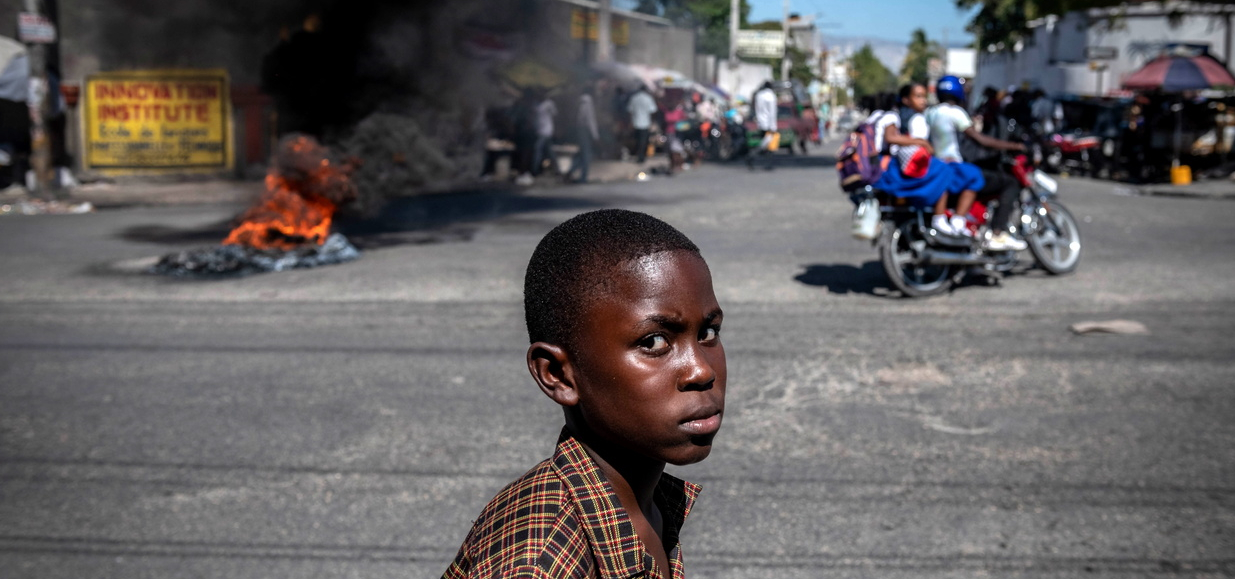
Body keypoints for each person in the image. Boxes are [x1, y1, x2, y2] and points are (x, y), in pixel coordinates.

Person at [442, 209, 726, 579]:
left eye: (708, 332)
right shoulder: (537, 564)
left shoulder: (642, 504)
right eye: (654, 342)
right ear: (559, 374)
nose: (701, 370)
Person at [926, 76, 1028, 252]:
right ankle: (997, 233)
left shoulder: (930, 112)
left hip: (935, 166)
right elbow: (980, 139)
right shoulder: (955, 112)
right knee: (1008, 183)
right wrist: (1014, 146)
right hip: (953, 168)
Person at [565, 86, 599, 183]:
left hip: (580, 129)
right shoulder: (588, 102)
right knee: (586, 155)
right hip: (585, 130)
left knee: (581, 153)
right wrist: (595, 135)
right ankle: (583, 177)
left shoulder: (580, 101)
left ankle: (571, 171)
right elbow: (590, 119)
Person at [746, 81, 777, 169]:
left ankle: (768, 164)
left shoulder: (759, 95)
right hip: (768, 124)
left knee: (767, 143)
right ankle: (751, 155)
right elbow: (772, 112)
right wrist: (773, 126)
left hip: (761, 122)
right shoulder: (771, 96)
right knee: (766, 143)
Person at [627, 85, 657, 163]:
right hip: (645, 123)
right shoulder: (648, 98)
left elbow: (630, 111)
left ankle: (639, 155)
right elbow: (653, 111)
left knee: (638, 140)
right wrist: (652, 122)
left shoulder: (634, 98)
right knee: (643, 141)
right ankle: (641, 156)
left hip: (636, 122)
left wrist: (631, 122)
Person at [532, 91, 558, 177]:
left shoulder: (548, 104)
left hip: (546, 131)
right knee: (550, 152)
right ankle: (557, 169)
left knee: (537, 149)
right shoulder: (537, 104)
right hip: (540, 131)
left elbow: (555, 113)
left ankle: (535, 170)